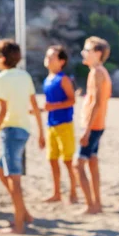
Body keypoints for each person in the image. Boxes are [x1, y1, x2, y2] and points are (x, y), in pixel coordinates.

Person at [0, 39, 45, 234]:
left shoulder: (1, 79)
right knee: (1, 172)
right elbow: (34, 106)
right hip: (24, 130)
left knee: (14, 179)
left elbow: (2, 112)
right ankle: (25, 214)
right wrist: (41, 133)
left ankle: (19, 226)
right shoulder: (25, 75)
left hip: (10, 131)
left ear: (1, 58)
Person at [75, 36, 112, 215]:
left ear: (97, 53)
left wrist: (87, 131)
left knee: (78, 165)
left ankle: (91, 205)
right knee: (92, 162)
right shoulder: (100, 71)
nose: (84, 53)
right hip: (98, 124)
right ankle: (97, 202)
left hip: (93, 126)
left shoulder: (97, 72)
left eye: (87, 50)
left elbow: (96, 103)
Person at [42, 45, 78, 203]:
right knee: (52, 160)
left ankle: (73, 192)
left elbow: (72, 100)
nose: (48, 59)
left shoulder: (63, 79)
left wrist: (53, 106)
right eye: (47, 56)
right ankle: (56, 193)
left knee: (68, 161)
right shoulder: (47, 79)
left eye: (52, 57)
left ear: (61, 61)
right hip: (51, 124)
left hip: (64, 124)